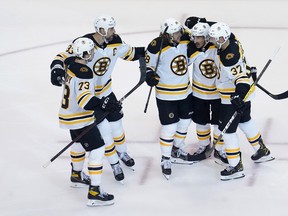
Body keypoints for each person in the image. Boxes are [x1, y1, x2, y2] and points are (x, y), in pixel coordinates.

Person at [50, 15, 145, 181]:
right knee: (105, 134)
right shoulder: (83, 44)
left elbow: (131, 53)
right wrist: (57, 69)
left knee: (117, 126)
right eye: (111, 28)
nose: (114, 31)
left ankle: (122, 152)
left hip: (107, 92)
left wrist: (154, 49)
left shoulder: (115, 41)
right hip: (90, 98)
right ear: (101, 30)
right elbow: (62, 57)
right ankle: (114, 163)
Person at [208, 22, 275, 180]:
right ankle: (261, 150)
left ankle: (235, 166)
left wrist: (238, 95)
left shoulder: (228, 57)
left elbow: (241, 78)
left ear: (222, 38)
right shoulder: (232, 39)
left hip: (231, 97)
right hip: (244, 94)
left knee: (228, 131)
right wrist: (205, 20)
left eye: (214, 38)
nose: (212, 40)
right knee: (245, 120)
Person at [59, 37, 119, 206]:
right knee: (98, 149)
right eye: (91, 51)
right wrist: (103, 103)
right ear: (84, 53)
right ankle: (95, 192)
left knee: (78, 144)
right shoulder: (84, 71)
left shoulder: (70, 65)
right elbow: (85, 100)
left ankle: (76, 175)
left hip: (68, 115)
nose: (93, 53)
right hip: (80, 117)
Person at [145, 18, 195, 179]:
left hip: (185, 92)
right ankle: (165, 158)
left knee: (185, 121)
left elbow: (197, 38)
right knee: (169, 127)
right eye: (176, 32)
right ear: (167, 35)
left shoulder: (185, 39)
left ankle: (177, 148)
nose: (179, 34)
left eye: (179, 31)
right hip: (166, 95)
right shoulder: (155, 46)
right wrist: (149, 75)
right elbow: (149, 66)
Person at [186, 22, 227, 164]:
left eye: (200, 37)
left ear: (207, 37)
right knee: (200, 121)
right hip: (198, 93)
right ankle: (203, 146)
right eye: (195, 37)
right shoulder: (191, 49)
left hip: (217, 94)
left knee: (218, 123)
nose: (196, 40)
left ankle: (219, 149)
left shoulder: (217, 47)